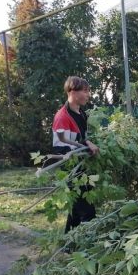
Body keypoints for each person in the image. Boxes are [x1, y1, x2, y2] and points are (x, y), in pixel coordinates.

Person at [51, 76, 100, 233]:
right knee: (87, 211)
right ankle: (87, 247)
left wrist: (88, 144)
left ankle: (69, 246)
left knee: (76, 210)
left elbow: (82, 138)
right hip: (71, 170)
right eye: (85, 91)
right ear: (72, 91)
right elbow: (60, 148)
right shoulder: (62, 117)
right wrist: (85, 146)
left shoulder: (82, 114)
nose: (88, 95)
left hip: (83, 167)